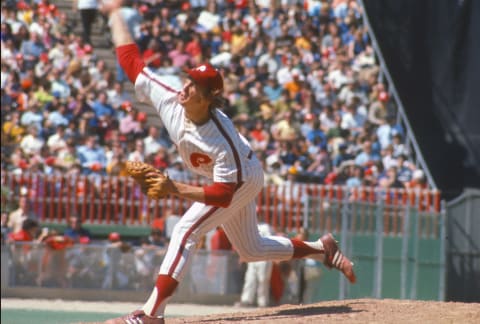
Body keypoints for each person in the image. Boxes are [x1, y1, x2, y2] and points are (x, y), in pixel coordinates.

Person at [101, 2, 356, 323]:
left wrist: (173, 188)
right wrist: (114, 15)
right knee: (251, 249)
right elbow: (131, 61)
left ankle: (152, 315)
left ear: (208, 98)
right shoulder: (169, 95)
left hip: (240, 178)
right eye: (188, 79)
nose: (186, 86)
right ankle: (322, 249)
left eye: (194, 85)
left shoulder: (220, 139)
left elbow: (222, 195)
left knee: (185, 230)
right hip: (225, 176)